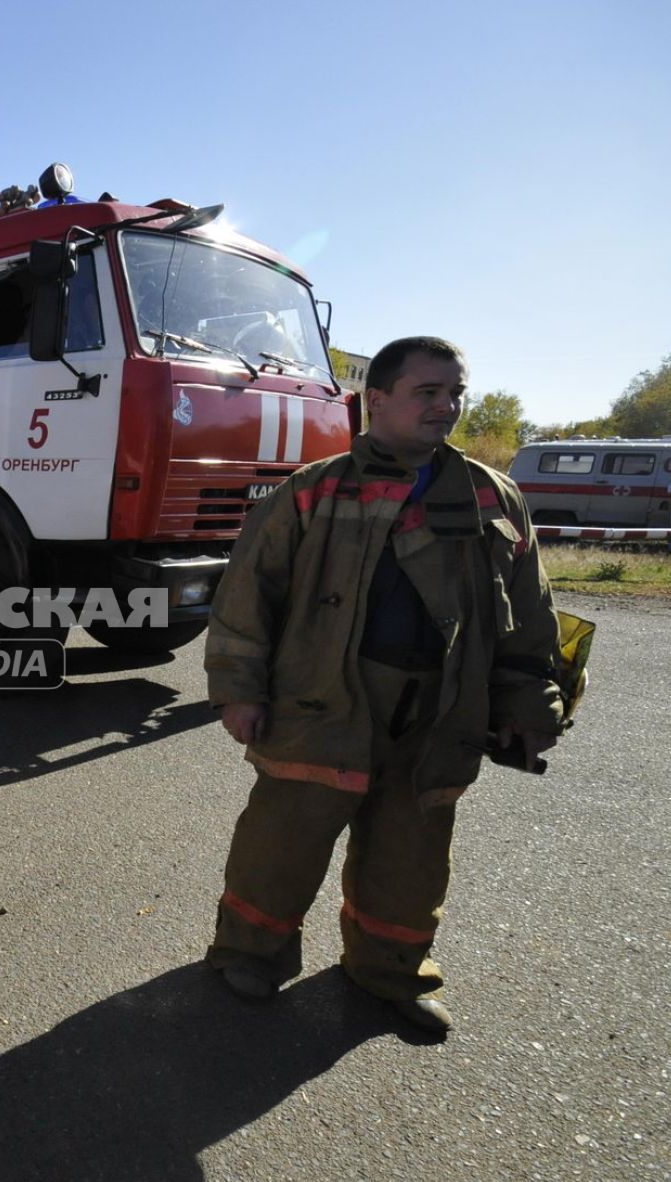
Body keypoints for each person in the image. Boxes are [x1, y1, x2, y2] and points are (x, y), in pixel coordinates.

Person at [203, 336, 565, 1035]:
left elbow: (529, 613)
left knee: (413, 854)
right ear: (379, 399)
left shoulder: (493, 496)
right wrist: (238, 688)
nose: (447, 406)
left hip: (441, 708)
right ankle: (249, 951)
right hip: (325, 699)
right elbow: (248, 595)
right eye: (428, 392)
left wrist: (531, 702)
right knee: (282, 840)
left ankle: (391, 971)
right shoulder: (314, 489)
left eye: (455, 392)